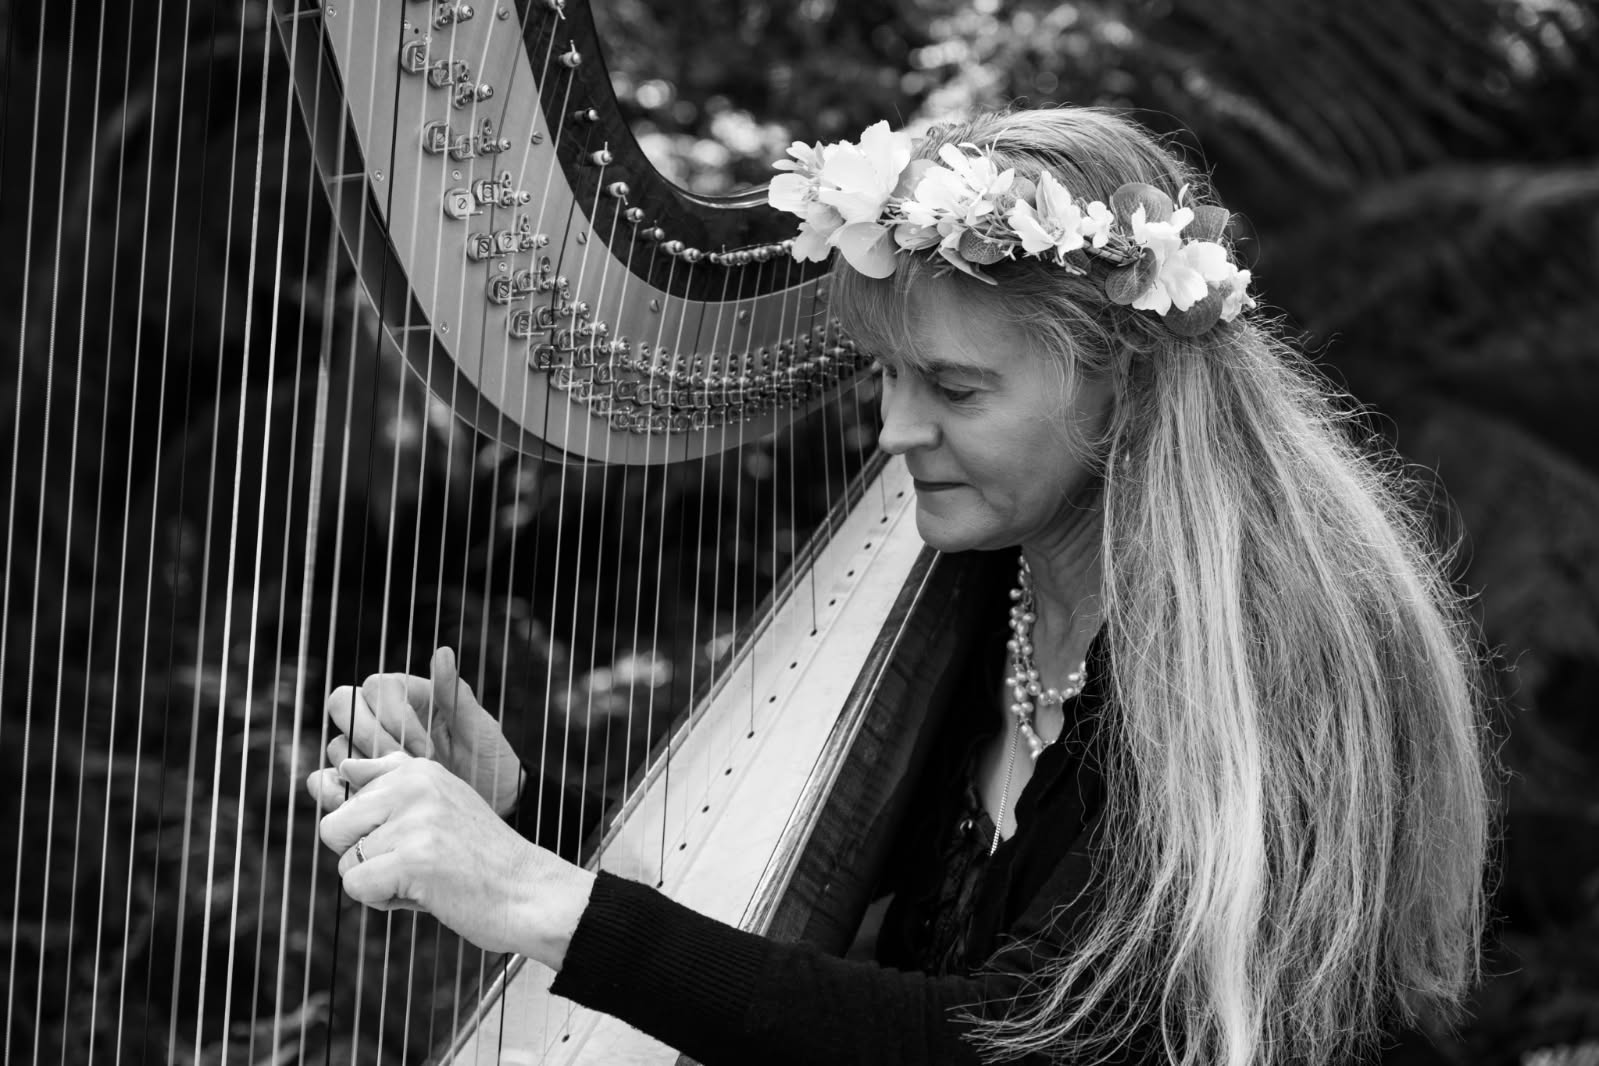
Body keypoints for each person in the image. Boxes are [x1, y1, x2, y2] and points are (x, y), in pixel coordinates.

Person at [306, 107, 1492, 1066]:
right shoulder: (981, 592)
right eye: (884, 374)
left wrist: (538, 897)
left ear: (1127, 382)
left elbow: (1009, 1041)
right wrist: (521, 819)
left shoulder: (1272, 655)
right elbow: (777, 948)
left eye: (955, 389)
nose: (895, 432)